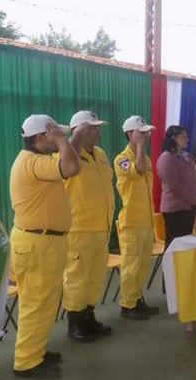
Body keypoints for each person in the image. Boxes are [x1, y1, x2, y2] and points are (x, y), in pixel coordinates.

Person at [10, 115, 81, 379]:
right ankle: (26, 362)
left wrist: (62, 142)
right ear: (41, 138)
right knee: (36, 303)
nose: (57, 140)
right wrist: (64, 141)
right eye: (53, 135)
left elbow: (71, 164)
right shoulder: (34, 162)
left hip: (44, 242)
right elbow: (72, 168)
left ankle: (34, 351)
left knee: (45, 302)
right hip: (37, 242)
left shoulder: (38, 161)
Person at [61, 111, 114, 342]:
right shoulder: (68, 155)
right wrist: (74, 140)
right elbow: (64, 170)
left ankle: (89, 316)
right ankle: (75, 323)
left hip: (102, 225)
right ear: (78, 130)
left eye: (97, 127)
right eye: (92, 128)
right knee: (77, 277)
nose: (97, 131)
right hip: (79, 227)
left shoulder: (100, 154)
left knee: (95, 276)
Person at [115, 116, 160, 321]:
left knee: (142, 265)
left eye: (146, 133)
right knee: (130, 265)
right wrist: (140, 147)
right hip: (131, 221)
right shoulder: (121, 159)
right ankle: (127, 304)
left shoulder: (146, 157)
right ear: (130, 134)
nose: (146, 136)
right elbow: (138, 169)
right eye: (141, 133)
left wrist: (141, 148)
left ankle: (137, 299)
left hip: (146, 220)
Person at [157, 125, 196, 248]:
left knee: (185, 243)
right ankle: (171, 267)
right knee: (175, 244)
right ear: (173, 138)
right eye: (183, 137)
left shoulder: (187, 156)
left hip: (189, 208)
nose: (187, 139)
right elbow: (175, 186)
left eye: (187, 137)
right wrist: (195, 200)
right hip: (175, 210)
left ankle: (182, 266)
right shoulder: (166, 158)